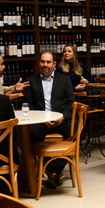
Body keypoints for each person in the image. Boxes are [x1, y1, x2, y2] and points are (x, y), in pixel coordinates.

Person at [22, 51, 76, 187]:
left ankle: (51, 169)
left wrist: (63, 117)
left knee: (75, 132)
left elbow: (71, 102)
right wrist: (40, 119)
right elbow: (29, 105)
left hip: (60, 120)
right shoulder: (31, 81)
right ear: (39, 63)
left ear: (54, 64)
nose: (45, 65)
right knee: (31, 133)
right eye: (42, 62)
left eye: (48, 62)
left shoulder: (64, 80)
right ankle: (48, 170)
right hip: (41, 122)